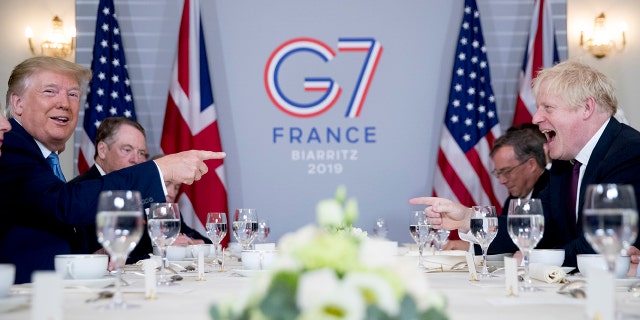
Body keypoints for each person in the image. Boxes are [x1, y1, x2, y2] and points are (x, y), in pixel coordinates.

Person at [0, 56, 226, 284]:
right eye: (50, 91)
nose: (64, 103)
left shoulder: (41, 156)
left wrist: (90, 257)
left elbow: (43, 225)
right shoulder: (9, 145)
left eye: (73, 94)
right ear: (18, 103)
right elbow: (65, 204)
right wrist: (160, 169)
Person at [412, 60, 640, 271]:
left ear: (586, 108)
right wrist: (466, 218)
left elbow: (600, 247)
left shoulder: (629, 153)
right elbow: (532, 227)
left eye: (548, 108)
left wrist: (530, 259)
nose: (535, 118)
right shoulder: (565, 162)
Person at [438, 123, 551, 254]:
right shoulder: (513, 200)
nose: (502, 180)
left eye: (507, 171)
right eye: (498, 173)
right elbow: (507, 242)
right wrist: (470, 247)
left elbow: (539, 238)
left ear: (531, 165)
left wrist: (467, 218)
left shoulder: (552, 189)